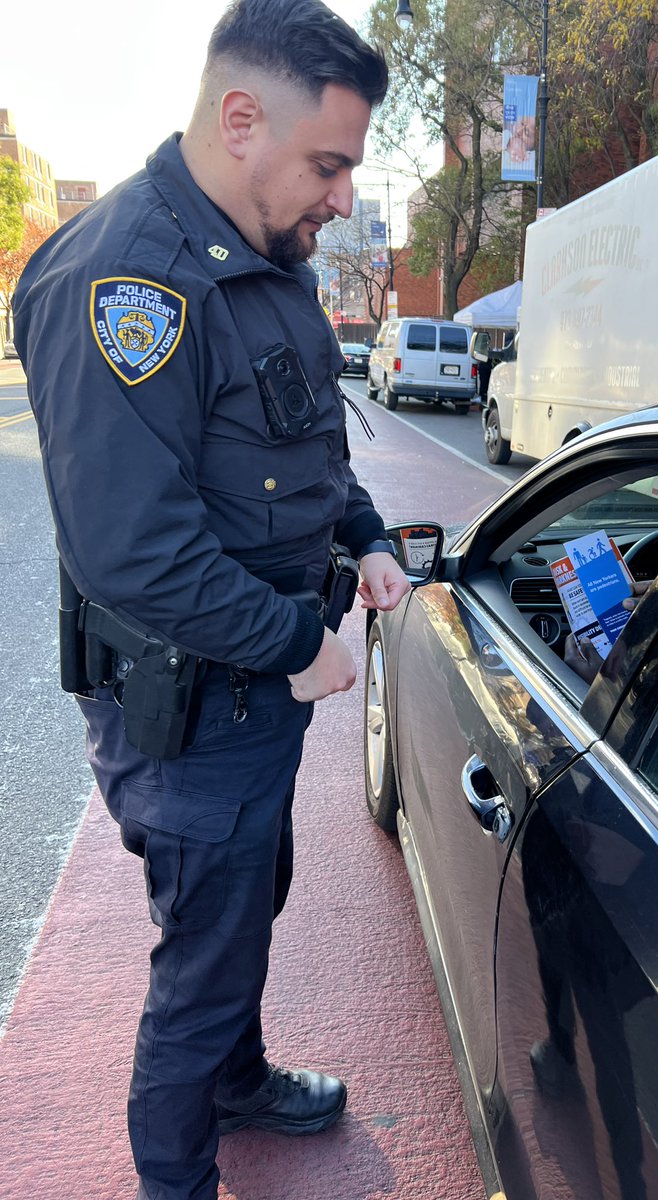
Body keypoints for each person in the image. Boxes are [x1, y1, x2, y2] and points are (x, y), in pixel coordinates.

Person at [12, 2, 410, 1197]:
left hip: (254, 699)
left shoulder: (266, 263)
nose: (341, 196)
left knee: (247, 911)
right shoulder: (123, 279)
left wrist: (369, 539)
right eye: (328, 163)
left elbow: (301, 450)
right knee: (201, 970)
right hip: (192, 708)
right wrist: (301, 639)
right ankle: (177, 1174)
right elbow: (140, 552)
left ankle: (238, 1083)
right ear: (242, 120)